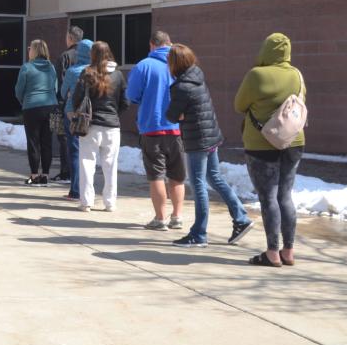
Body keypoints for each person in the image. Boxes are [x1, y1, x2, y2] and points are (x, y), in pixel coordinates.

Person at [167, 44, 254, 248]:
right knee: (214, 177)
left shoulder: (181, 86)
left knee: (198, 184)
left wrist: (180, 114)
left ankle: (199, 233)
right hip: (211, 136)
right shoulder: (197, 76)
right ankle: (241, 218)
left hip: (197, 139)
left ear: (174, 63)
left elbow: (171, 115)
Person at [234, 33, 306, 267]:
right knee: (285, 196)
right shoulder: (296, 74)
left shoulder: (256, 75)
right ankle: (289, 250)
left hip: (261, 143)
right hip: (293, 141)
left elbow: (239, 105)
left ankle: (272, 252)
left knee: (268, 198)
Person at [127, 30, 186, 232]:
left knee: (156, 176)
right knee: (177, 176)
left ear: (152, 45)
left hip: (151, 128)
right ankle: (177, 216)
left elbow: (132, 95)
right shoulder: (180, 65)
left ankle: (160, 219)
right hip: (176, 129)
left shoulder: (143, 66)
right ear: (169, 44)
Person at [72, 41, 128, 212]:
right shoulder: (118, 75)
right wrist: (114, 114)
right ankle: (110, 203)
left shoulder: (87, 73)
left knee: (87, 163)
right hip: (112, 126)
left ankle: (86, 202)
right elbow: (125, 102)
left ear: (93, 55)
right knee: (110, 166)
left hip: (90, 125)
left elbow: (76, 99)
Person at [14, 39, 58, 185]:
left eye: (30, 48)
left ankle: (34, 175)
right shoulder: (51, 67)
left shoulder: (26, 67)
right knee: (47, 142)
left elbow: (19, 90)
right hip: (51, 107)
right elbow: (55, 88)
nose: (28, 51)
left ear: (34, 51)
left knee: (33, 142)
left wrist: (24, 101)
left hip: (31, 107)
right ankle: (45, 174)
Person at [59, 38, 93, 199]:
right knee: (89, 153)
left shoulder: (73, 71)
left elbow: (62, 92)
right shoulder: (96, 71)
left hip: (72, 114)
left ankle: (75, 189)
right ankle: (88, 188)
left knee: (74, 152)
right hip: (91, 114)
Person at [54, 26, 83, 182]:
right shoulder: (88, 58)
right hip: (86, 106)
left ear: (70, 38)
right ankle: (78, 174)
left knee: (64, 138)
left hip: (67, 105)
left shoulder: (65, 56)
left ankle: (67, 171)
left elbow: (60, 82)